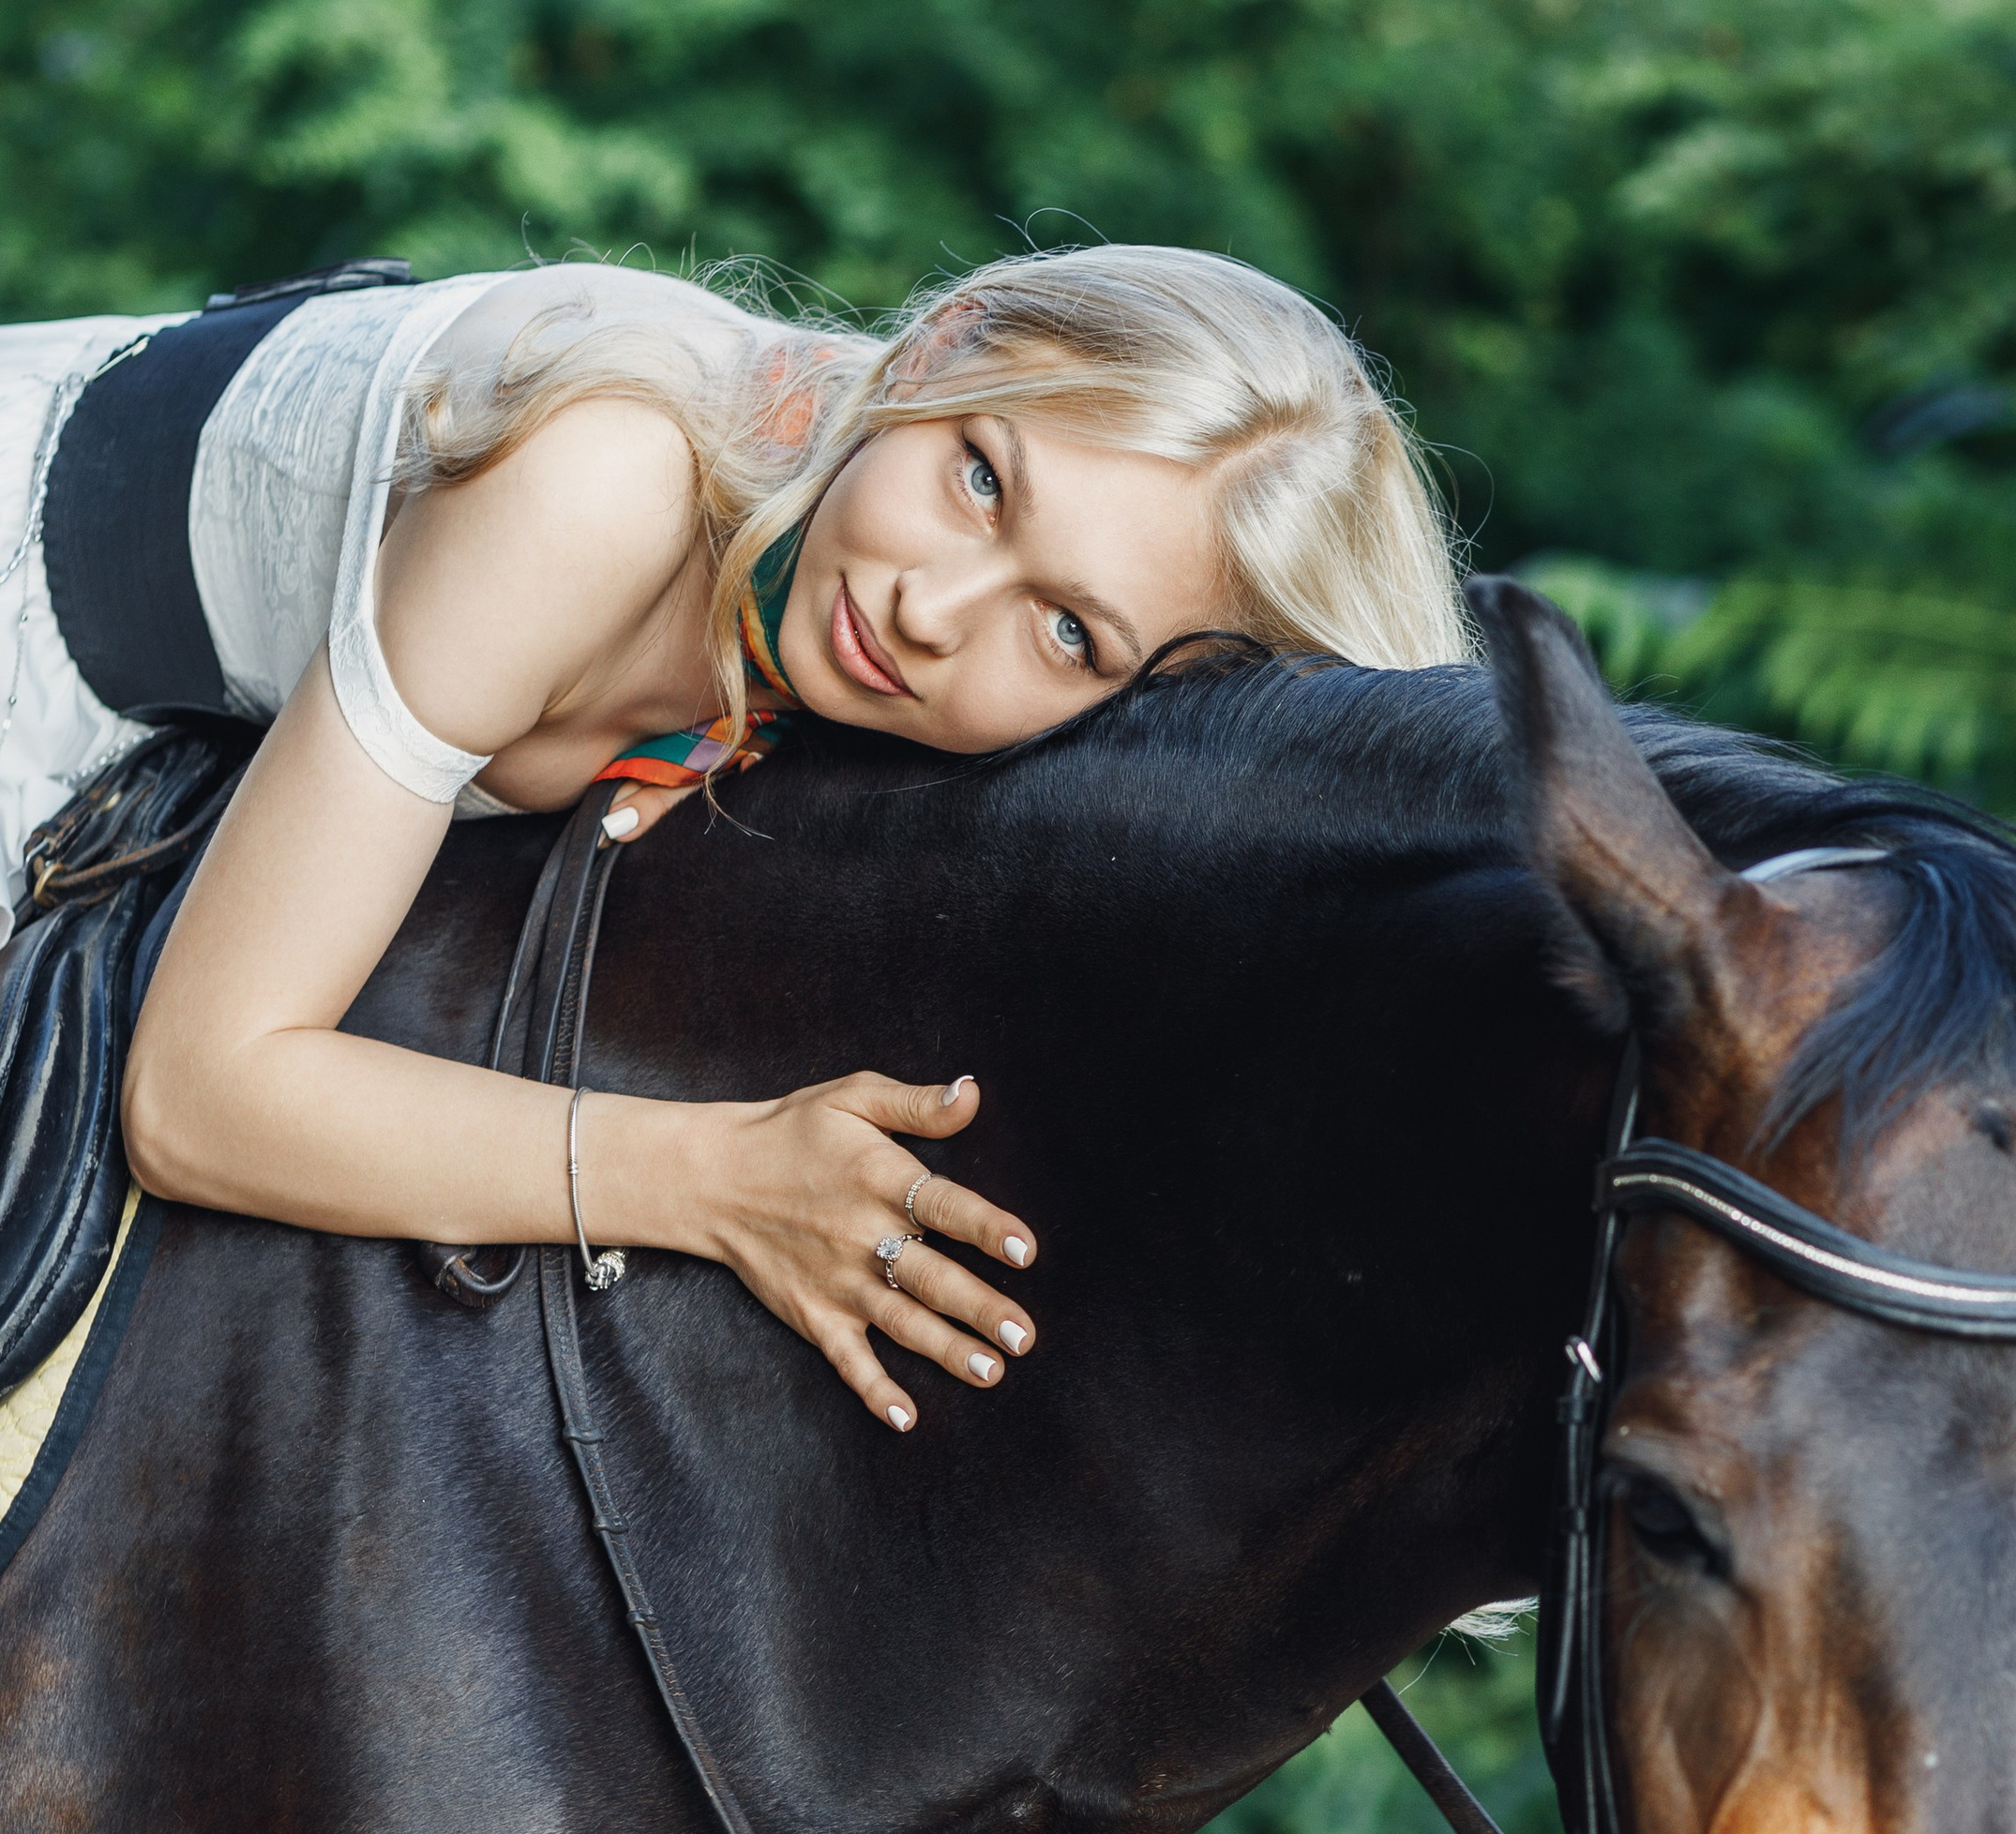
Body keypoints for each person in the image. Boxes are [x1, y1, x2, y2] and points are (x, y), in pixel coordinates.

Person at [0, 246, 1469, 1428]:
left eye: (1072, 630)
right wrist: (718, 1180)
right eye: (981, 478)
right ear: (940, 345)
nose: (931, 610)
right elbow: (198, 1096)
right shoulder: (605, 482)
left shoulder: (876, 651)